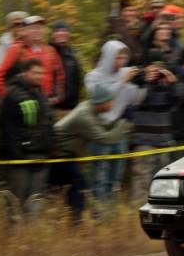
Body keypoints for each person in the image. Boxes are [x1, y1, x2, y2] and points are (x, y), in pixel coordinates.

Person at [52, 85, 132, 222]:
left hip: (64, 155)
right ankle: (75, 221)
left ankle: (72, 219)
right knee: (78, 185)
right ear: (101, 102)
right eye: (110, 101)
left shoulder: (88, 108)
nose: (112, 104)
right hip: (58, 156)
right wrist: (124, 124)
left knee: (75, 186)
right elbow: (104, 139)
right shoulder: (85, 116)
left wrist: (118, 122)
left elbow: (100, 130)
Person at [84, 40, 145, 203]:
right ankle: (98, 213)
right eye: (117, 58)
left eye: (124, 58)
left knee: (115, 176)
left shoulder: (126, 73)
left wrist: (142, 84)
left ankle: (110, 213)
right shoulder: (93, 76)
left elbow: (135, 100)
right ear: (108, 57)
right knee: (100, 176)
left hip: (119, 129)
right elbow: (100, 97)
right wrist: (122, 82)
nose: (121, 62)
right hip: (100, 129)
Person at [0, 59, 55, 217]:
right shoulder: (13, 94)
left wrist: (51, 145)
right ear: (25, 72)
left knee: (36, 200)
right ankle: (13, 235)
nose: (40, 76)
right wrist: (17, 154)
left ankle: (32, 235)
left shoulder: (41, 94)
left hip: (41, 155)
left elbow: (48, 122)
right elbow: (7, 128)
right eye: (36, 73)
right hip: (21, 157)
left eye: (42, 73)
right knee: (16, 200)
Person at [129, 62, 178, 201]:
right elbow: (137, 100)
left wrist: (173, 84)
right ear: (146, 67)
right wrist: (148, 81)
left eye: (159, 68)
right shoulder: (138, 82)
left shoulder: (166, 86)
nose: (156, 71)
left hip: (164, 139)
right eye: (153, 67)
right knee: (142, 176)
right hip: (144, 140)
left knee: (163, 177)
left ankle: (161, 205)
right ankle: (138, 208)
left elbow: (179, 101)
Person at [0, 16, 65, 104]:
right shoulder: (16, 49)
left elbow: (60, 75)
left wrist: (58, 96)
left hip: (46, 102)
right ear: (25, 31)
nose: (37, 31)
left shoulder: (50, 50)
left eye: (40, 28)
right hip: (24, 102)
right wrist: (7, 96)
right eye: (33, 28)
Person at [49, 21, 83, 118]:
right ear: (53, 35)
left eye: (64, 30)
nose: (61, 33)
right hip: (55, 108)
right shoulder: (48, 52)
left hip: (73, 107)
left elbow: (78, 78)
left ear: (68, 34)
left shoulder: (72, 53)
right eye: (58, 31)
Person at [101, 0, 144, 66]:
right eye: (128, 11)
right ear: (121, 12)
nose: (131, 14)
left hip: (137, 64)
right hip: (120, 64)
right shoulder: (116, 25)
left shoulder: (140, 25)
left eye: (133, 11)